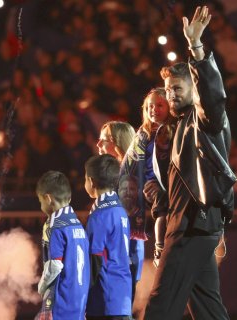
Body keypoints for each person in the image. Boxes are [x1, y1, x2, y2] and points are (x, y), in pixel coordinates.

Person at [144, 6, 235, 320]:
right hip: (197, 226)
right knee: (208, 309)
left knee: (160, 305)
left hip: (190, 227)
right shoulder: (182, 124)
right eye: (168, 90)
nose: (170, 95)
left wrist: (196, 48)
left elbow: (214, 96)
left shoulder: (205, 119)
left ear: (194, 89)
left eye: (177, 89)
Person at [120, 88, 175, 268]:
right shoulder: (142, 135)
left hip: (170, 184)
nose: (154, 110)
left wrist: (163, 184)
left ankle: (160, 248)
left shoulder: (174, 130)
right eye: (150, 106)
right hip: (148, 184)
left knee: (163, 203)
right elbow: (128, 168)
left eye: (160, 105)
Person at [96, 121, 143, 305]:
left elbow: (123, 223)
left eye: (103, 140)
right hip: (117, 258)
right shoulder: (116, 176)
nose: (98, 145)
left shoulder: (127, 179)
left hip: (122, 259)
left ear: (117, 144)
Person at [35, 171, 90, 320]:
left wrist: (41, 286)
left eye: (40, 201)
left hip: (61, 300)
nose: (41, 206)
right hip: (80, 299)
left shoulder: (54, 225)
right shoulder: (78, 224)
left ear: (48, 198)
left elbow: (55, 265)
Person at [84, 154, 132, 320]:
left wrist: (82, 294)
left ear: (91, 181)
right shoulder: (120, 209)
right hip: (122, 296)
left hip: (103, 300)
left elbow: (94, 259)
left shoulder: (99, 215)